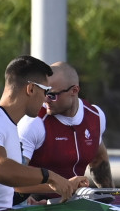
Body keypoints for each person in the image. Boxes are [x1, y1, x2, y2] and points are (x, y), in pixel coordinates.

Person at [0, 56, 88, 211]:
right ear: (30, 89)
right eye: (46, 91)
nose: (46, 99)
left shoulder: (6, 124)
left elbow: (16, 186)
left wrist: (62, 183)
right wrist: (48, 175)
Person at [18, 61, 112, 190]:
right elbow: (14, 181)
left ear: (74, 90)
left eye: (52, 95)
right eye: (44, 92)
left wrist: (111, 197)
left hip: (72, 204)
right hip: (37, 205)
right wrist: (64, 187)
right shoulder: (33, 122)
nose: (46, 100)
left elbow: (99, 159)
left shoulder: (96, 116)